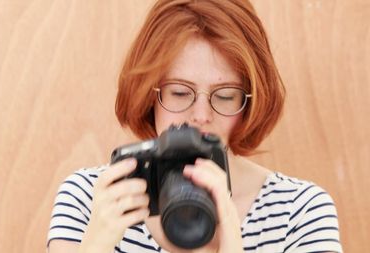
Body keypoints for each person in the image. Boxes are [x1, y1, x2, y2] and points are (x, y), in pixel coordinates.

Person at [47, 0, 342, 252]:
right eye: (179, 92)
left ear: (250, 100)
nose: (200, 115)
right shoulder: (90, 198)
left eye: (225, 96)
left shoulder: (300, 211)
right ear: (149, 94)